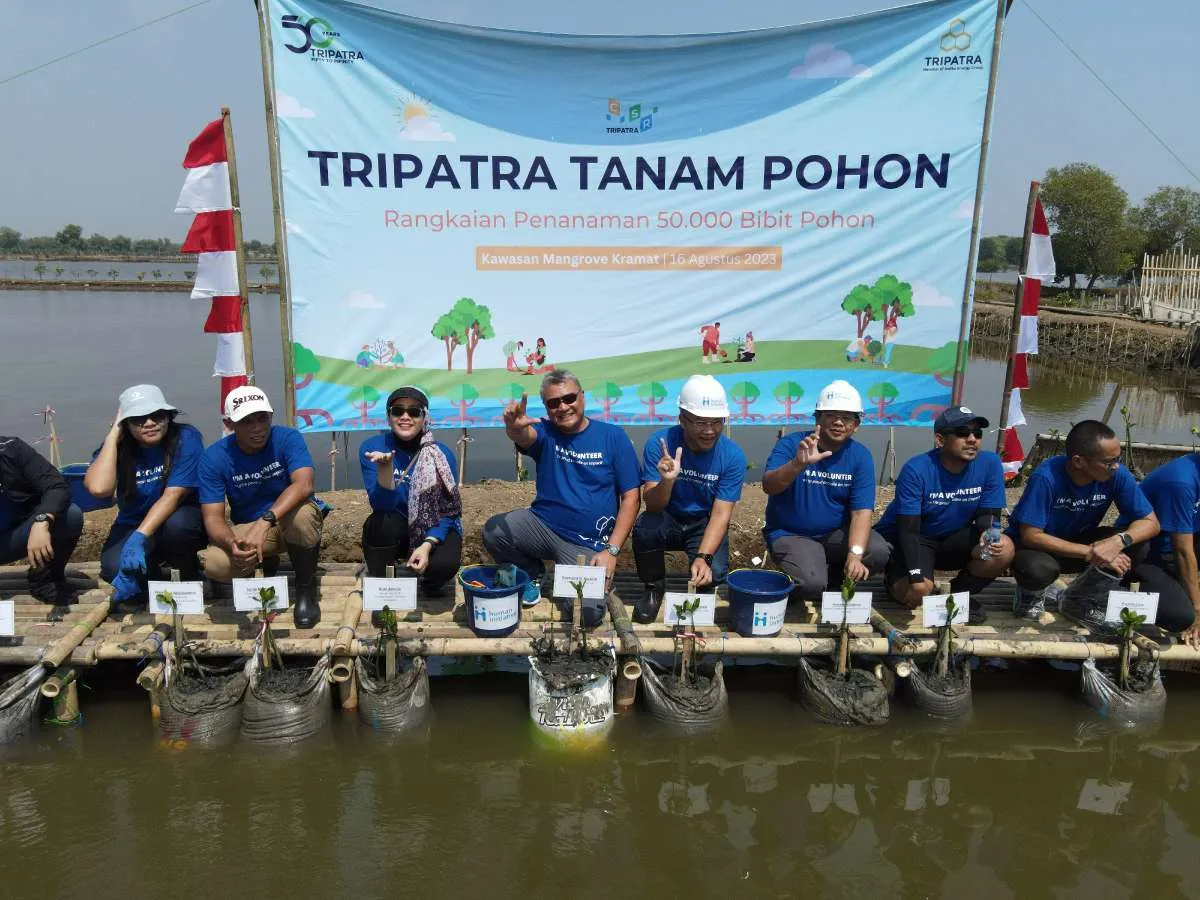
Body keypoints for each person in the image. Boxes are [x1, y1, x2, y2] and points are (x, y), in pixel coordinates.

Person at [1008, 419, 1192, 633]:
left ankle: (1079, 598)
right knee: (1038, 570)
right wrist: (1092, 551)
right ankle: (1029, 594)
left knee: (1138, 544)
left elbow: (1151, 523)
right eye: (1108, 462)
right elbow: (1031, 535)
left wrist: (1118, 541)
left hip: (1079, 539)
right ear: (1078, 462)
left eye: (1118, 459)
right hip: (1038, 550)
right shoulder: (1046, 477)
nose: (1115, 466)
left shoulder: (1117, 475)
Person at [482, 370, 640, 606]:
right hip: (543, 527)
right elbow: (526, 436)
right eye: (554, 403)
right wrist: (514, 429)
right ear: (546, 408)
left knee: (586, 612)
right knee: (495, 531)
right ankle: (531, 572)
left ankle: (583, 579)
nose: (563, 407)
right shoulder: (546, 432)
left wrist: (612, 551)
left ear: (582, 397)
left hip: (588, 542)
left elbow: (631, 498)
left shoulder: (613, 437)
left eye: (569, 398)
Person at [198, 386, 324, 628]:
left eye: (262, 418)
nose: (257, 428)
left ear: (271, 417)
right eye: (246, 421)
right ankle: (264, 561)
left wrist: (265, 522)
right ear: (229, 423)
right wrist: (231, 543)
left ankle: (305, 590)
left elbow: (304, 484)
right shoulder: (213, 457)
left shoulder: (287, 437)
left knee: (304, 514)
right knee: (215, 563)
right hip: (249, 528)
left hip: (286, 522)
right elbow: (213, 518)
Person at [876, 406, 1012, 625]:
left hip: (953, 537)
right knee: (917, 593)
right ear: (940, 440)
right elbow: (908, 530)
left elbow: (990, 515)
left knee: (1001, 548)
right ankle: (894, 581)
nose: (971, 439)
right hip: (916, 539)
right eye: (961, 433)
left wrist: (990, 535)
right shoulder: (916, 469)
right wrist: (916, 576)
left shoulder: (990, 463)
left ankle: (958, 594)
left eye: (977, 433)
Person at [632, 375, 746, 623]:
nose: (709, 431)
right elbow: (652, 504)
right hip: (667, 516)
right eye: (700, 423)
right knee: (646, 526)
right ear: (682, 418)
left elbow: (720, 514)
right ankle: (653, 588)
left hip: (702, 522)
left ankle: (702, 589)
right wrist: (668, 480)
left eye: (717, 422)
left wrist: (704, 558)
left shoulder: (732, 456)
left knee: (713, 570)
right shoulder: (660, 444)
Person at [761, 380, 888, 597]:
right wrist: (797, 464)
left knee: (877, 551)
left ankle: (838, 578)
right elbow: (769, 486)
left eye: (847, 418)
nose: (838, 422)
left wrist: (855, 555)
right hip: (792, 533)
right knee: (811, 584)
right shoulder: (793, 444)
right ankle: (810, 577)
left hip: (835, 535)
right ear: (817, 418)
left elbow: (861, 512)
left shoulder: (860, 456)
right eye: (831, 415)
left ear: (856, 425)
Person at [83, 385, 206, 607]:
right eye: (138, 419)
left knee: (179, 526)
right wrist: (113, 436)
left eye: (156, 416)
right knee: (112, 568)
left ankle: (189, 573)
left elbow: (174, 496)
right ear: (126, 424)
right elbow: (99, 489)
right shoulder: (119, 445)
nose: (149, 423)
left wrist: (138, 538)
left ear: (168, 417)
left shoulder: (186, 437)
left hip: (177, 517)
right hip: (134, 522)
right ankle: (153, 581)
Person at [359, 386, 462, 595]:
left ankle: (430, 583)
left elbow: (448, 512)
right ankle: (386, 585)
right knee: (381, 525)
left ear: (425, 417)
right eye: (398, 411)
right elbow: (382, 506)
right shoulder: (372, 448)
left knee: (444, 564)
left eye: (414, 411)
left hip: (432, 525)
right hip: (395, 524)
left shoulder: (442, 455)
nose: (405, 417)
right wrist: (385, 470)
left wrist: (427, 544)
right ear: (389, 416)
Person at [1114, 451, 1200, 647]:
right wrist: (1197, 612)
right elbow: (1182, 551)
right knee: (1180, 616)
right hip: (1144, 554)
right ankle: (1116, 592)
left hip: (1179, 550)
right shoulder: (1181, 482)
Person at [0, 435, 82, 605]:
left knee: (70, 516)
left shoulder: (11, 448)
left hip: (11, 539)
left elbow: (56, 485)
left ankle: (45, 579)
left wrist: (42, 519)